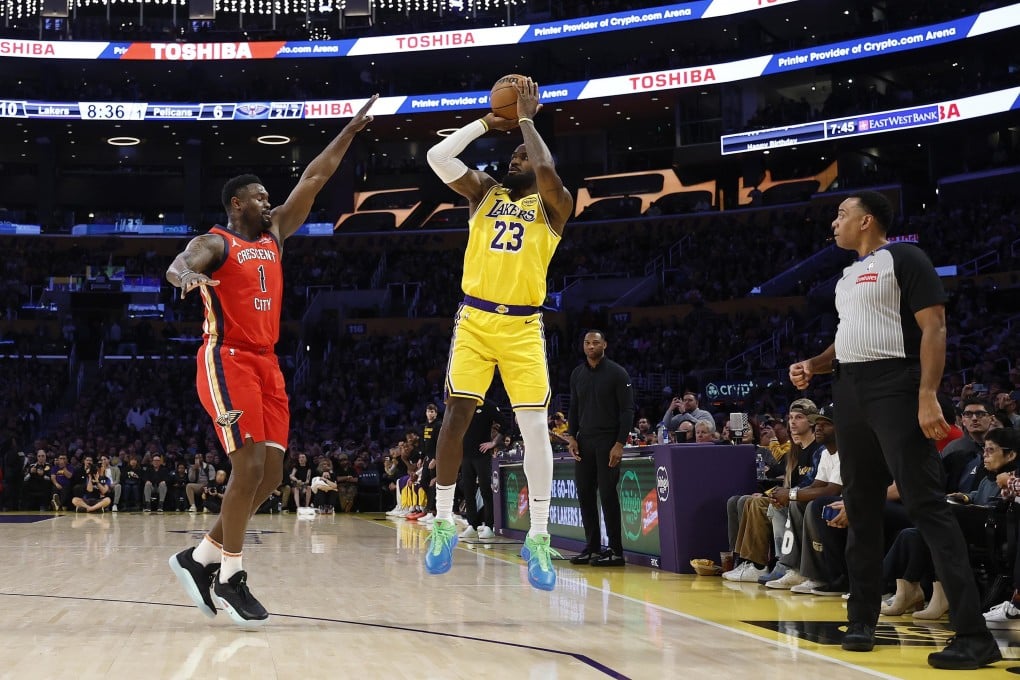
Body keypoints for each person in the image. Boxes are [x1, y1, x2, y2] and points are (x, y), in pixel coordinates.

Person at [167, 95, 377, 626]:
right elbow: (180, 262)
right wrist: (184, 277)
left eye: (267, 197)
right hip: (226, 358)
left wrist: (348, 132)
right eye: (259, 198)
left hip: (267, 363)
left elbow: (313, 177)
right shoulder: (215, 243)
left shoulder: (276, 233)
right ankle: (232, 575)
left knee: (274, 473)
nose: (269, 203)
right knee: (248, 466)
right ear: (236, 204)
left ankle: (201, 557)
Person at [789, 190, 999, 669]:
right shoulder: (845, 278)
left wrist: (927, 395)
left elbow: (935, 328)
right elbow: (846, 342)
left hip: (896, 385)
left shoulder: (903, 257)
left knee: (926, 504)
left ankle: (973, 633)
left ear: (866, 221)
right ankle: (862, 619)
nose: (834, 221)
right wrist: (813, 365)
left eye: (842, 213)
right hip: (850, 389)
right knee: (860, 507)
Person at [422, 76, 574, 591]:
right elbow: (438, 158)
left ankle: (539, 537)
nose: (514, 161)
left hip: (524, 326)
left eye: (520, 158)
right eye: (510, 157)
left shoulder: (555, 207)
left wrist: (528, 120)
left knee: (535, 429)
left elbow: (548, 170)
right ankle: (443, 520)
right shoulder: (484, 194)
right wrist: (489, 121)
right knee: (456, 416)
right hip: (475, 320)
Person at [565, 330, 634, 567]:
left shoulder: (617, 372)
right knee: (584, 494)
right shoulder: (577, 374)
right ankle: (592, 548)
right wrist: (571, 437)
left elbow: (627, 411)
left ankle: (616, 550)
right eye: (587, 342)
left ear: (604, 344)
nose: (591, 345)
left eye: (595, 342)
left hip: (608, 440)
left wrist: (619, 443)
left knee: (607, 494)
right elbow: (574, 408)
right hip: (584, 441)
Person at [458, 397, 503, 541]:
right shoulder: (463, 405)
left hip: (481, 456)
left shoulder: (489, 405)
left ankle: (489, 526)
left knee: (485, 491)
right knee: (468, 491)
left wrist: (493, 443)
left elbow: (505, 425)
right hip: (466, 456)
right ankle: (472, 525)